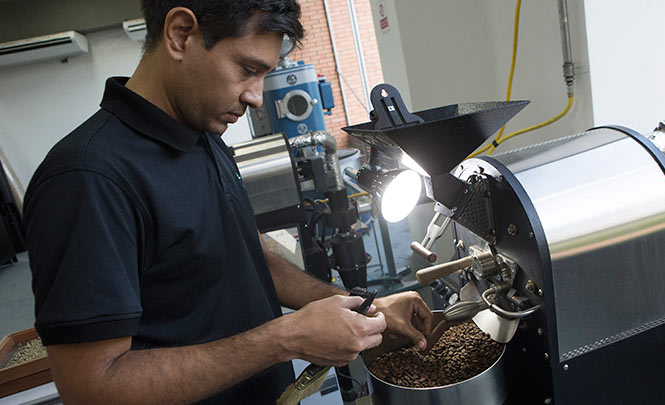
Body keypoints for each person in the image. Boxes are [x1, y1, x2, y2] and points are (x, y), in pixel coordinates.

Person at [22, 0, 432, 403]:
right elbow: (93, 387)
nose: (255, 96)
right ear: (180, 34)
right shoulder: (87, 178)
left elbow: (252, 256)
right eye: (247, 69)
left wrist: (365, 307)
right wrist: (286, 337)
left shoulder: (203, 137)